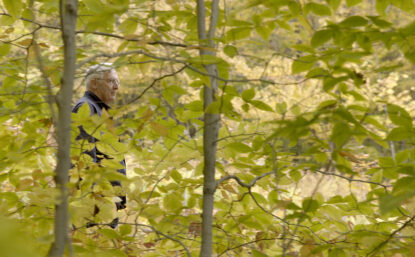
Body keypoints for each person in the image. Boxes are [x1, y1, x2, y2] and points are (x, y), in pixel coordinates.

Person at [72, 63, 126, 228]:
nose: (116, 87)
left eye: (117, 82)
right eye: (111, 81)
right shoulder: (86, 108)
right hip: (95, 205)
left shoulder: (100, 110)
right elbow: (85, 159)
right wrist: (97, 203)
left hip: (105, 201)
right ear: (94, 83)